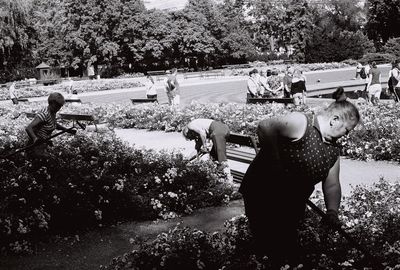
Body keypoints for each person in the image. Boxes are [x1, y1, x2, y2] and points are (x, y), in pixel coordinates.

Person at [239, 88, 360, 268]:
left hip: (292, 202)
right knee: (269, 248)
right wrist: (276, 164)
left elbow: (332, 184)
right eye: (347, 129)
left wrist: (332, 211)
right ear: (335, 120)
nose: (347, 135)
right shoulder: (302, 123)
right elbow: (265, 127)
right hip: (264, 195)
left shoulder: (333, 149)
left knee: (286, 250)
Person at [25, 92, 76, 158]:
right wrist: (35, 139)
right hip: (35, 147)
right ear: (51, 103)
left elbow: (53, 124)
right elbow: (29, 128)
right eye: (57, 106)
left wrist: (67, 130)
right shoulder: (44, 114)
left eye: (60, 106)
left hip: (43, 145)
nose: (58, 108)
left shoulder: (53, 112)